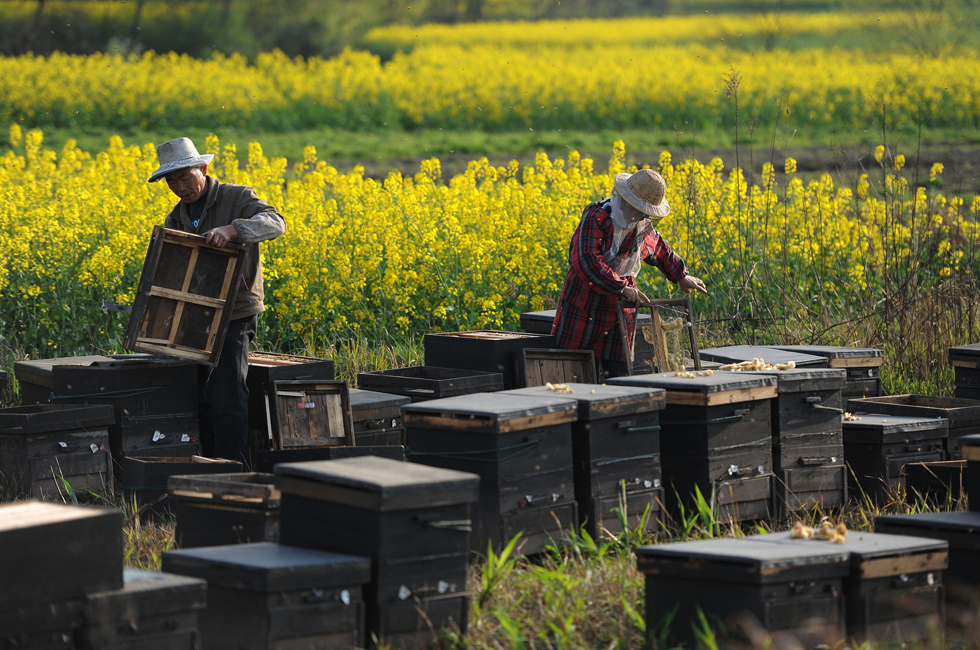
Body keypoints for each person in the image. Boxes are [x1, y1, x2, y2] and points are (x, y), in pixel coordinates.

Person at [148, 137, 286, 464]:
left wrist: (233, 230)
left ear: (204, 169)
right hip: (195, 313)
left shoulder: (236, 197)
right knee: (198, 393)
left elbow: (276, 223)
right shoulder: (177, 218)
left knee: (228, 393)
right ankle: (205, 462)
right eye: (172, 181)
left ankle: (233, 468)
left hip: (235, 312)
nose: (180, 186)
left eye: (185, 177)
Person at [552, 168, 707, 378]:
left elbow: (659, 249)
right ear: (624, 199)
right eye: (637, 209)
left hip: (621, 310)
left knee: (619, 375)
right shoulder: (597, 217)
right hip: (584, 305)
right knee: (571, 371)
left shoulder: (641, 224)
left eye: (644, 212)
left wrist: (681, 275)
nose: (640, 215)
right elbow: (585, 261)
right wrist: (621, 287)